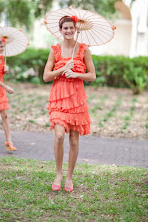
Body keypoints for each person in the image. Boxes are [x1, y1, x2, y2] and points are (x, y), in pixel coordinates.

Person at [43, 15, 96, 192]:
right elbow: (46, 76)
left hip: (76, 98)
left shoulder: (83, 49)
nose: (68, 31)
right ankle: (58, 173)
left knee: (74, 139)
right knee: (59, 135)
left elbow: (92, 76)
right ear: (60, 30)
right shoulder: (55, 50)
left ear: (76, 30)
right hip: (59, 96)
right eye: (65, 28)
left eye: (71, 28)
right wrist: (63, 69)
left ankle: (69, 177)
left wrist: (77, 74)